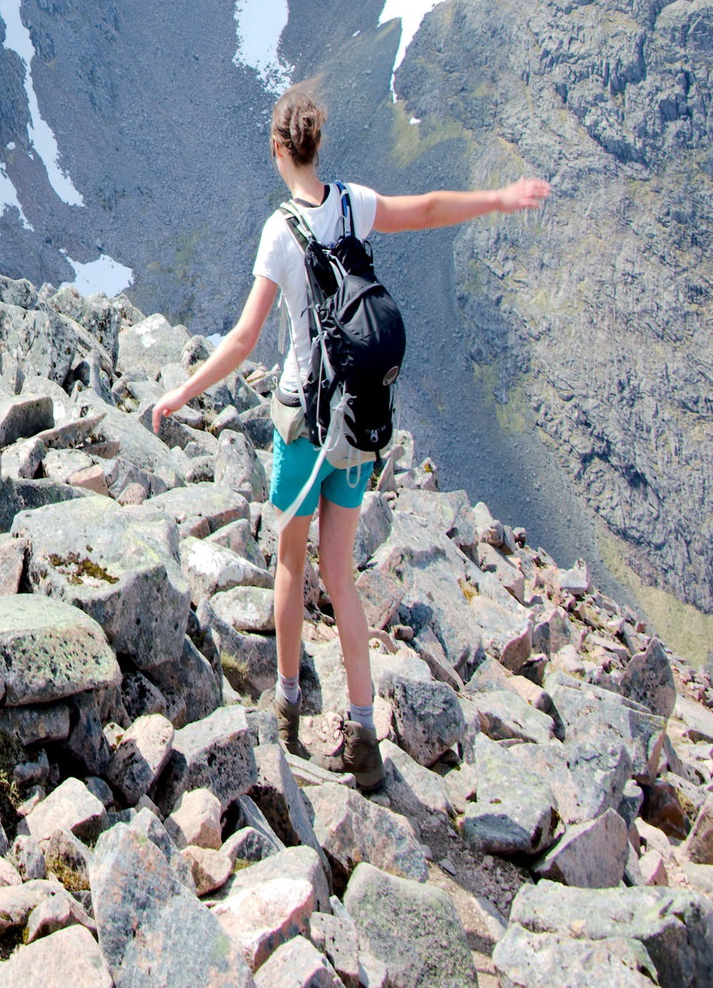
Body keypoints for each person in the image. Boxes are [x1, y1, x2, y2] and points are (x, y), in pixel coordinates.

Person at [149, 88, 550, 789]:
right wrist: (499, 197)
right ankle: (363, 732)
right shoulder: (352, 204)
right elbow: (425, 210)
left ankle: (287, 713)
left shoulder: (280, 232)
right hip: (361, 423)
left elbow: (245, 339)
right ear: (316, 145)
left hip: (304, 420)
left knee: (289, 566)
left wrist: (183, 392)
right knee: (342, 575)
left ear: (278, 148)